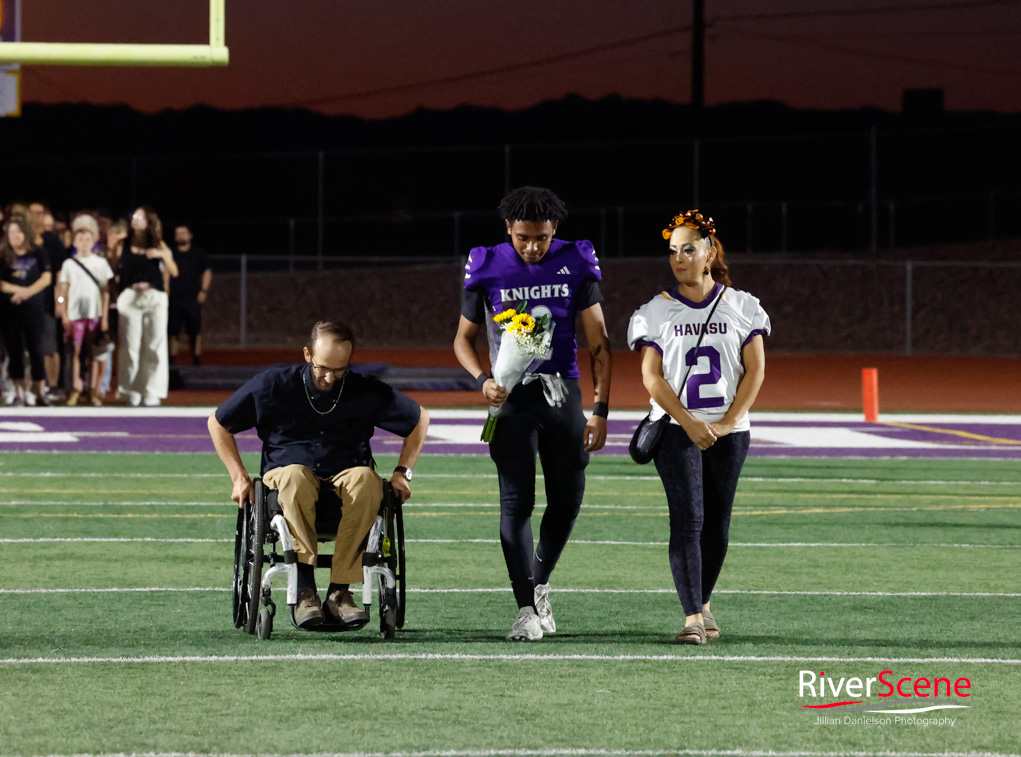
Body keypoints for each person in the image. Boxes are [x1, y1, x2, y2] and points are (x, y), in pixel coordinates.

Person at [453, 186, 612, 641]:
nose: (531, 247)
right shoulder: (486, 262)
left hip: (563, 391)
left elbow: (599, 342)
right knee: (516, 500)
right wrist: (483, 378)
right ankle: (525, 607)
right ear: (508, 228)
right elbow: (462, 339)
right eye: (523, 237)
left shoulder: (577, 259)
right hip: (513, 399)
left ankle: (538, 582)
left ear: (554, 229)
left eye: (540, 238)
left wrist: (601, 408)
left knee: (568, 500)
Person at [208, 320, 430, 629]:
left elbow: (420, 419)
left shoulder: (362, 389)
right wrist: (238, 476)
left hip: (346, 479)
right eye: (322, 368)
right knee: (297, 477)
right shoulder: (273, 385)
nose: (329, 378)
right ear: (307, 354)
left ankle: (340, 593)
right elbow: (217, 423)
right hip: (288, 477)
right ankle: (304, 592)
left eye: (339, 371)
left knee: (367, 480)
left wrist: (403, 472)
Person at [627, 209, 770, 645]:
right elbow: (652, 378)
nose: (679, 259)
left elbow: (755, 372)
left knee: (718, 526)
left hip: (730, 432)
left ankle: (703, 601)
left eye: (689, 249)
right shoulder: (655, 311)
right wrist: (689, 422)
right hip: (675, 430)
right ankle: (692, 616)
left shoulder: (744, 306)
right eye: (673, 251)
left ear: (709, 253)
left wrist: (726, 424)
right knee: (687, 520)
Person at [116, 206, 177, 407]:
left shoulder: (158, 243)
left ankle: (152, 391)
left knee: (155, 345)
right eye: (134, 216)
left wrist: (162, 254)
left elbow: (174, 271)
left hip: (154, 297)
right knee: (130, 344)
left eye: (141, 216)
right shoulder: (123, 243)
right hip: (130, 296)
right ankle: (130, 390)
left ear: (149, 220)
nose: (136, 219)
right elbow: (115, 269)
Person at [55, 224, 114, 406]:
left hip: (94, 313)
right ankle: (76, 387)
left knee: (96, 354)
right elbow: (63, 290)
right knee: (76, 351)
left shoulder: (100, 263)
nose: (84, 243)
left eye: (88, 239)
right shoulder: (69, 264)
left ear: (94, 242)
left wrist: (104, 317)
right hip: (75, 314)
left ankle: (94, 389)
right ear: (74, 242)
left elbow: (105, 292)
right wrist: (63, 313)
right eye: (80, 239)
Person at [0, 216, 54, 406]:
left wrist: (27, 292)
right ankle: (19, 393)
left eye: (18, 232)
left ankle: (40, 391)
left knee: (36, 350)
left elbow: (46, 278)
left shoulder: (38, 253)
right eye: (11, 232)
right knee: (14, 352)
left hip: (33, 309)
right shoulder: (4, 254)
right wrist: (17, 291)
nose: (15, 236)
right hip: (9, 310)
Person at [167, 224, 212, 365]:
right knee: (173, 331)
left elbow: (207, 271)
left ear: (190, 235)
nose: (180, 236)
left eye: (183, 233)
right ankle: (172, 359)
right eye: (177, 233)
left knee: (195, 330)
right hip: (174, 299)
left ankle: (196, 357)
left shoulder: (198, 254)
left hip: (192, 298)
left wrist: (203, 290)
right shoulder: (170, 254)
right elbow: (165, 273)